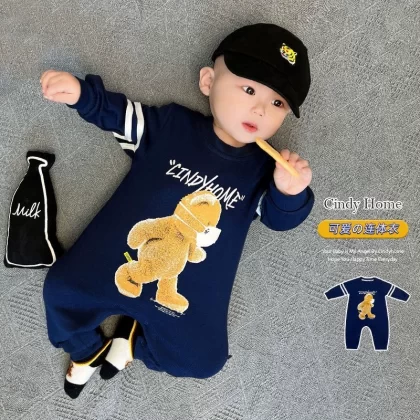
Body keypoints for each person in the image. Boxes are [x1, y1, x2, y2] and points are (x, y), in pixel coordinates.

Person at [40, 23, 315, 399]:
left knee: (205, 361)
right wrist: (80, 94)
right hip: (110, 265)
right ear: (208, 81)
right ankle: (87, 350)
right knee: (59, 291)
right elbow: (117, 114)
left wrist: (289, 191)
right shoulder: (170, 127)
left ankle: (131, 345)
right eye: (249, 89)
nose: (260, 108)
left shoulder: (262, 173)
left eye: (278, 103)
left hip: (186, 295)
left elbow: (280, 219)